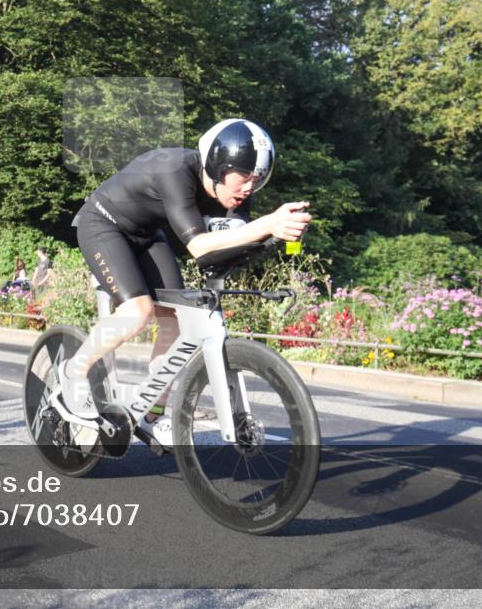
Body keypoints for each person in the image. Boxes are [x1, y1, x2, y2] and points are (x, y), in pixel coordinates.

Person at [62, 119, 312, 447]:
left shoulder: (234, 196)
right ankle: (73, 372)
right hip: (102, 224)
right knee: (138, 312)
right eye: (244, 177)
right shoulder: (176, 171)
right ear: (217, 166)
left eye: (258, 179)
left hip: (147, 234)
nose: (249, 188)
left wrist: (273, 237)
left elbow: (224, 250)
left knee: (175, 322)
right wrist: (267, 223)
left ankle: (152, 414)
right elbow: (198, 246)